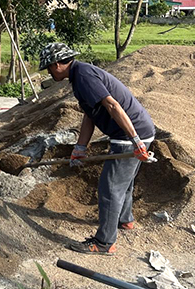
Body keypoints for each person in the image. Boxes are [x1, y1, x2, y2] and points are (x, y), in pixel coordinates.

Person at [39, 42, 155, 256]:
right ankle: (125, 220)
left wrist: (136, 140)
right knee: (124, 182)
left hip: (129, 133)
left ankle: (104, 242)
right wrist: (80, 148)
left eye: (48, 67)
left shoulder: (83, 76)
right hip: (134, 130)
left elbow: (113, 106)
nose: (48, 72)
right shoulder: (79, 76)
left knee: (110, 188)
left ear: (57, 64)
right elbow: (90, 115)